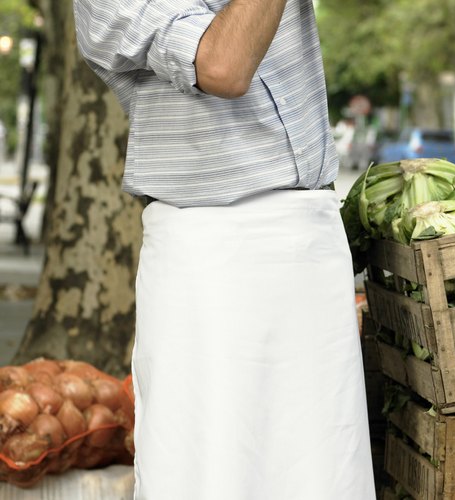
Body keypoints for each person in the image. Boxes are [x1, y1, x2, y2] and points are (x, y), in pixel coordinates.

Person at [72, 1, 376, 498]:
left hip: (309, 244)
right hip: (209, 255)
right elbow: (222, 64)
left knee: (322, 470)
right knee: (209, 471)